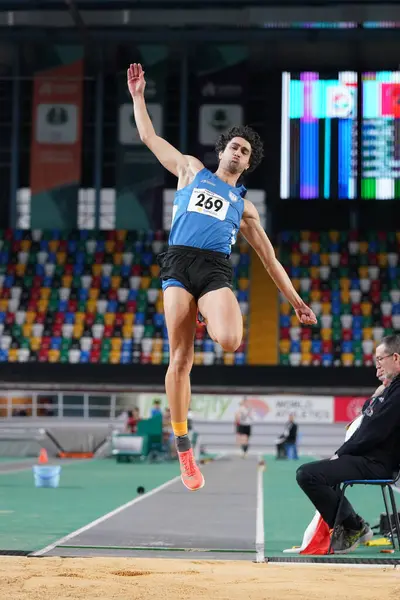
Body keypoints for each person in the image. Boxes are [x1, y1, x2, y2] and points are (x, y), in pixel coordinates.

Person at [127, 62, 317, 492]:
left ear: (248, 165)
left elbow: (271, 261)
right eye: (233, 146)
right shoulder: (191, 170)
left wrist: (296, 302)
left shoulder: (245, 208)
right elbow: (149, 138)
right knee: (180, 359)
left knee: (231, 340)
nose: (237, 152)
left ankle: (204, 316)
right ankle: (184, 449)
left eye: (245, 151)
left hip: (214, 268)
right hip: (178, 262)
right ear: (221, 151)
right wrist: (138, 97)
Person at [296, 334, 400, 554]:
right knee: (313, 474)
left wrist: (341, 454)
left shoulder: (397, 392)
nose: (377, 365)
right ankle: (353, 524)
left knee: (308, 475)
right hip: (368, 458)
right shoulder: (391, 389)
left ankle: (353, 526)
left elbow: (372, 432)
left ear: (396, 358)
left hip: (377, 463)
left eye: (380, 359)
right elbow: (369, 423)